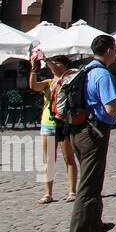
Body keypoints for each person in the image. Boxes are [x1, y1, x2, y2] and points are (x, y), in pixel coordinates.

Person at [67, 35, 116, 232]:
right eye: (115, 49)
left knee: (93, 178)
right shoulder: (102, 74)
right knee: (89, 185)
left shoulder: (84, 70)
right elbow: (111, 108)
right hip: (95, 131)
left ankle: (93, 223)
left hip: (78, 130)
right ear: (109, 51)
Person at [30, 50, 77, 204]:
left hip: (63, 123)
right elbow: (34, 86)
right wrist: (34, 69)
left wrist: (47, 60)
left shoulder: (69, 79)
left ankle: (72, 191)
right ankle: (48, 193)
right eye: (53, 63)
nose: (54, 66)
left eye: (58, 63)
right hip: (48, 123)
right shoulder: (49, 83)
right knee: (49, 159)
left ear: (65, 66)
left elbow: (57, 71)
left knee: (68, 157)